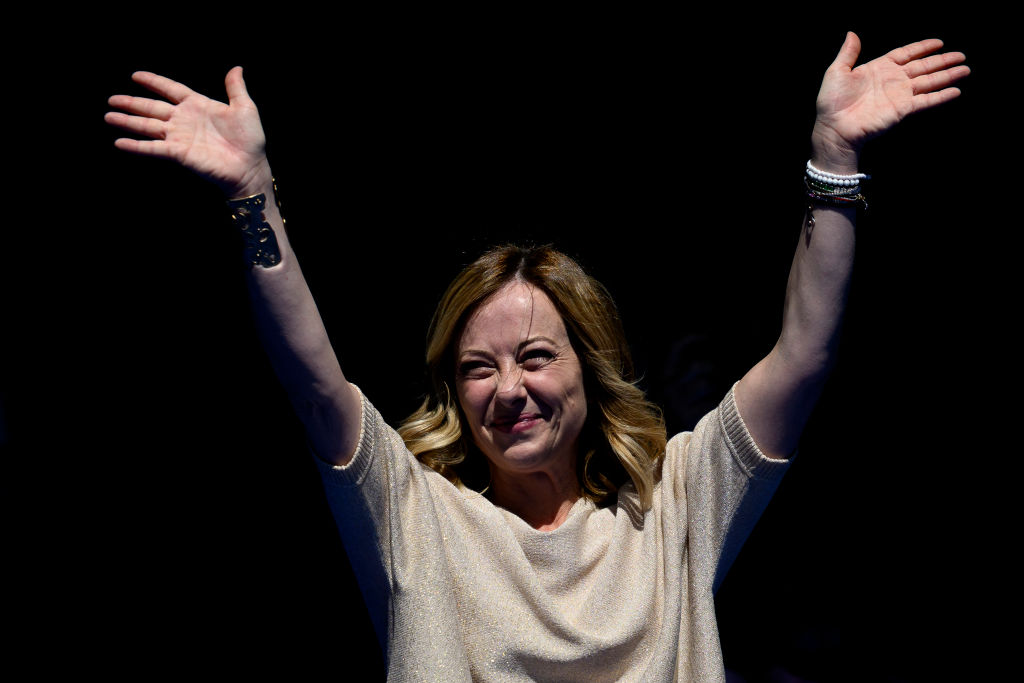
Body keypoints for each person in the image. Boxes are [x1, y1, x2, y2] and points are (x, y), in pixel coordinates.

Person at [105, 32, 968, 681]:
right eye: (478, 368)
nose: (509, 388)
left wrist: (835, 160)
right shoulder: (417, 517)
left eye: (535, 356)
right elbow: (316, 384)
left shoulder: (675, 508)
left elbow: (805, 353)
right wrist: (252, 194)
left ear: (589, 371)